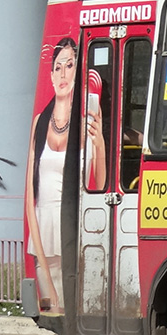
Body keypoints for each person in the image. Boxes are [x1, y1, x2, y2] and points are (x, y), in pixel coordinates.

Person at [25, 38, 106, 312]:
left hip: (76, 239)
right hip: (44, 246)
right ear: (50, 74)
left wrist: (100, 144)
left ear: (78, 71)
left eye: (69, 65)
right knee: (51, 313)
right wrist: (44, 270)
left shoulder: (90, 114)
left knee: (75, 316)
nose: (62, 73)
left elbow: (103, 184)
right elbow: (29, 198)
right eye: (57, 67)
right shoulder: (39, 122)